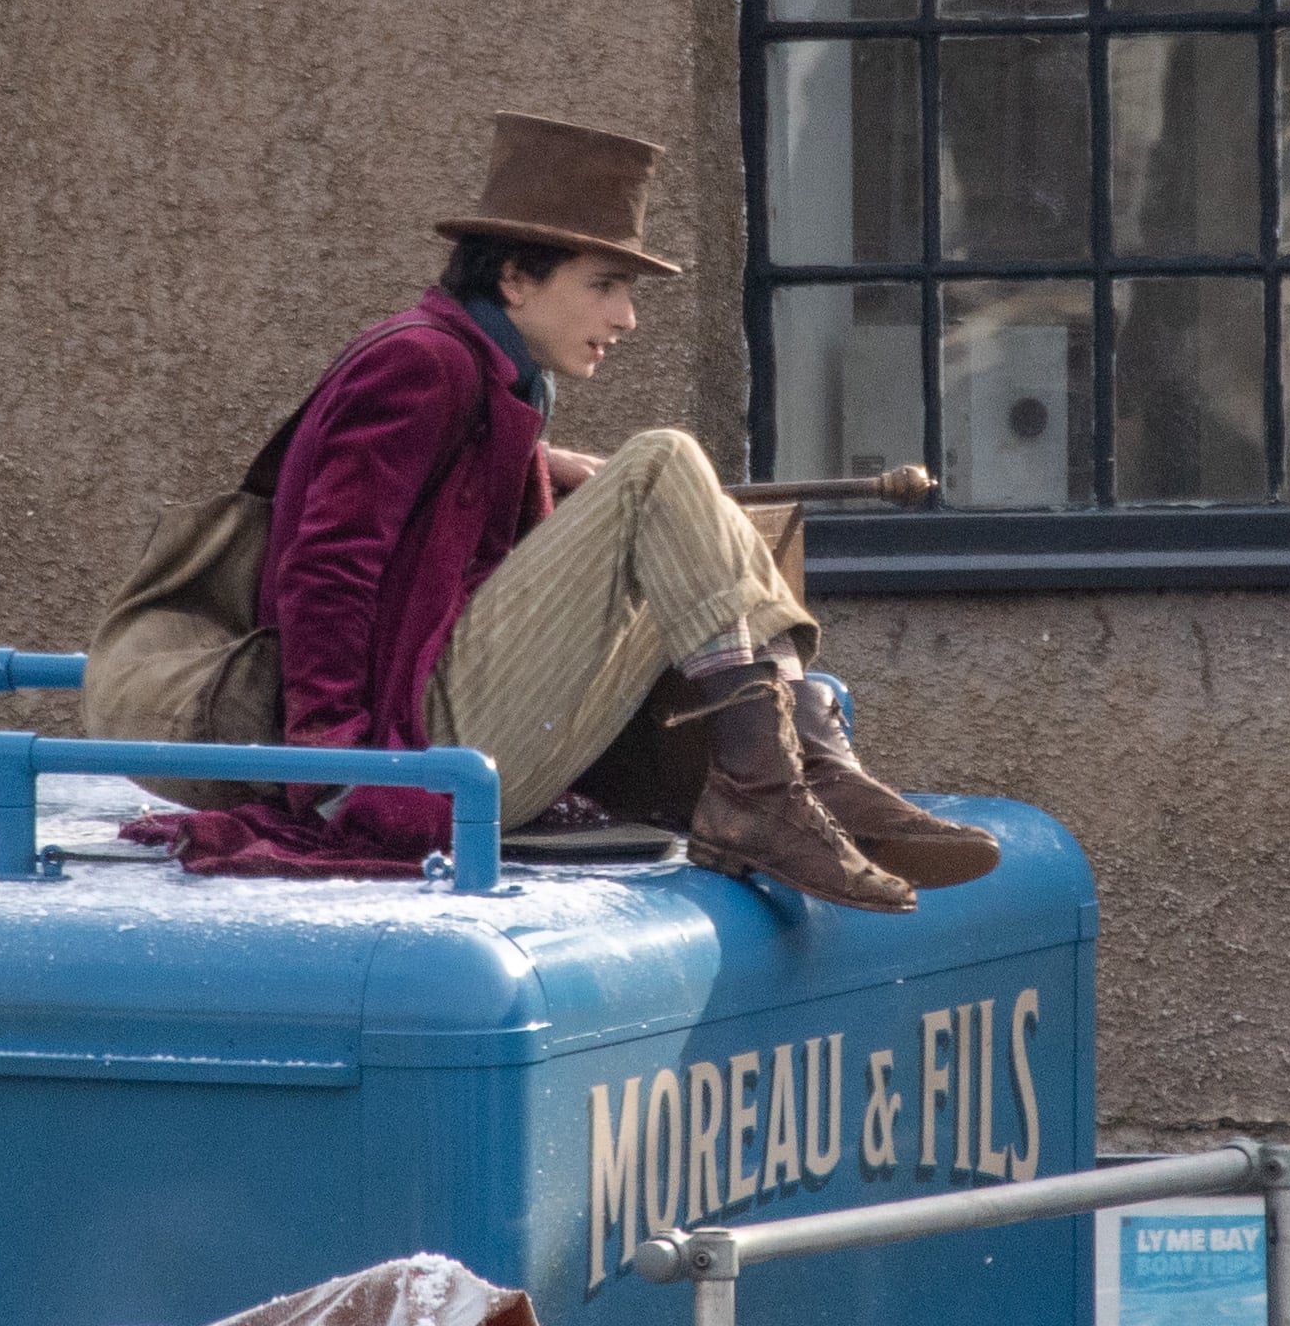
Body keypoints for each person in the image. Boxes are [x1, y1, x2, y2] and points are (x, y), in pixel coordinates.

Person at [250, 111, 997, 913]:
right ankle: (765, 789)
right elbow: (327, 568)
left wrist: (542, 458)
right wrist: (336, 776)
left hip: (480, 731)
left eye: (627, 290)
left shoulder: (490, 376)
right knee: (663, 462)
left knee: (705, 514)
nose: (626, 318)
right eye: (603, 285)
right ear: (513, 279)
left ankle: (802, 768)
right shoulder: (421, 362)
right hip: (417, 747)